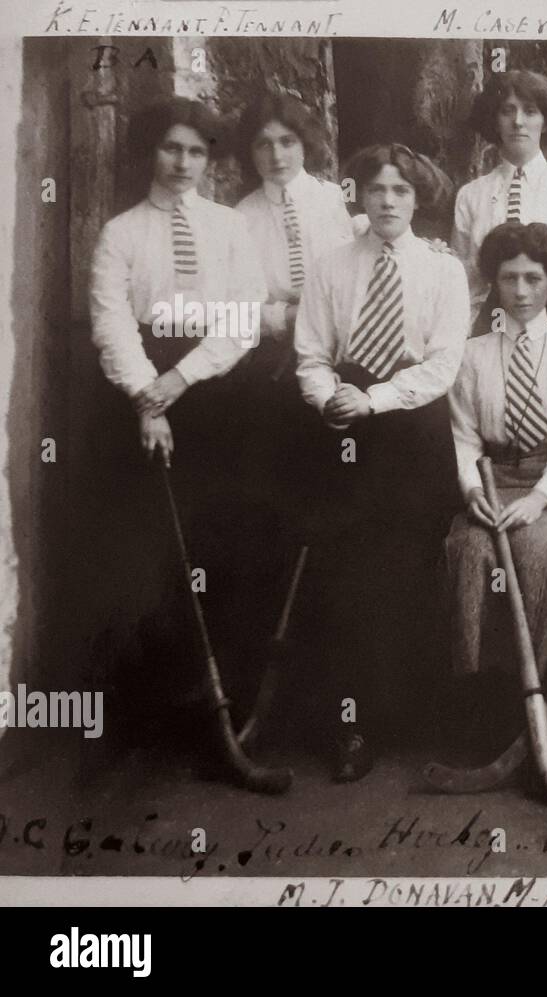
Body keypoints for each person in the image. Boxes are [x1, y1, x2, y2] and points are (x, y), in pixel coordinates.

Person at [88, 97, 267, 735]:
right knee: (153, 544)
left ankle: (228, 696)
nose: (183, 162)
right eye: (171, 148)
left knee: (222, 535)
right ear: (150, 152)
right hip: (141, 394)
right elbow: (111, 323)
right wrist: (146, 398)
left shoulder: (229, 228)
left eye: (195, 151)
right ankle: (157, 709)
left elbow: (244, 316)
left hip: (216, 387)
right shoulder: (121, 232)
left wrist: (179, 380)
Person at [294, 142, 470, 781]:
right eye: (376, 190)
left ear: (418, 198)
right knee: (346, 576)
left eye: (400, 190)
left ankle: (414, 720)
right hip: (344, 432)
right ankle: (352, 725)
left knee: (413, 569)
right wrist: (329, 399)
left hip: (411, 428)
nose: (388, 201)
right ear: (359, 197)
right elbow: (311, 351)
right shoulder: (332, 264)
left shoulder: (444, 270)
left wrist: (377, 399)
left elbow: (443, 363)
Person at [444, 222, 547, 720]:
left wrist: (539, 499)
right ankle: (477, 695)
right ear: (494, 283)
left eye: (534, 278)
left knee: (532, 552)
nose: (522, 291)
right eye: (509, 278)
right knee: (470, 549)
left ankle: (534, 696)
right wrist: (472, 491)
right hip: (491, 484)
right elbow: (465, 436)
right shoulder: (471, 355)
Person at [233, 92, 356, 533]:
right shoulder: (239, 217)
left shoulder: (335, 200)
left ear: (305, 144)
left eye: (287, 141)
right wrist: (282, 318)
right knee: (281, 468)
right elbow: (235, 309)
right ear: (249, 152)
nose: (276, 154)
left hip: (344, 349)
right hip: (277, 359)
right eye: (263, 144)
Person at [452, 70, 547, 340]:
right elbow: (465, 284)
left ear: (545, 122)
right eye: (507, 111)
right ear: (495, 120)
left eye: (530, 111)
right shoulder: (471, 195)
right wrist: (460, 341)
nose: (518, 122)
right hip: (490, 326)